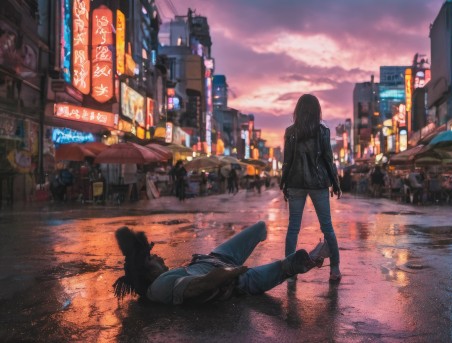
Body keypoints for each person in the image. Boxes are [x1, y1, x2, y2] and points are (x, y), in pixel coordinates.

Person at [113, 221, 331, 305]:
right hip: (236, 278)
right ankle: (307, 260)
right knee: (285, 266)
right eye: (152, 259)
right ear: (146, 273)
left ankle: (304, 260)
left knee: (260, 228)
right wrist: (232, 273)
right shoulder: (159, 287)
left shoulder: (161, 279)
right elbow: (199, 286)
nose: (158, 257)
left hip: (216, 257)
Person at [279, 94, 342, 282]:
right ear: (317, 111)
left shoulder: (290, 131)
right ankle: (335, 269)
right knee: (327, 227)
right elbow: (328, 160)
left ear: (298, 111)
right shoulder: (323, 131)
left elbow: (287, 162)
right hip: (318, 183)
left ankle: (289, 272)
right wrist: (336, 183)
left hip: (295, 183)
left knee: (293, 228)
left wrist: (284, 183)